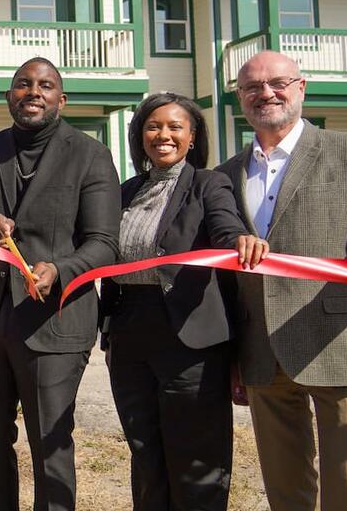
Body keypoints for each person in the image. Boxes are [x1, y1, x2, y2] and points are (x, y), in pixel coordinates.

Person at [217, 50, 347, 511]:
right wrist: (231, 356)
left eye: (278, 82)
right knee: (286, 490)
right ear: (240, 98)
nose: (267, 93)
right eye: (252, 87)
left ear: (301, 87)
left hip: (340, 339)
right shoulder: (224, 174)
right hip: (262, 348)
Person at [0, 57, 121, 511]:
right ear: (10, 96)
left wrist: (60, 269)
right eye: (23, 83)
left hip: (56, 318)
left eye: (45, 85)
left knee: (50, 442)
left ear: (62, 99)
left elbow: (104, 243)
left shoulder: (90, 154)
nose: (33, 91)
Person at [99, 92, 268, 511]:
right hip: (129, 333)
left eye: (175, 126)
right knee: (146, 452)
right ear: (140, 137)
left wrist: (240, 240)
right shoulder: (125, 192)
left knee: (197, 457)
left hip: (189, 336)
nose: (164, 135)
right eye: (153, 127)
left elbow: (226, 226)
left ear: (192, 137)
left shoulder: (209, 183)